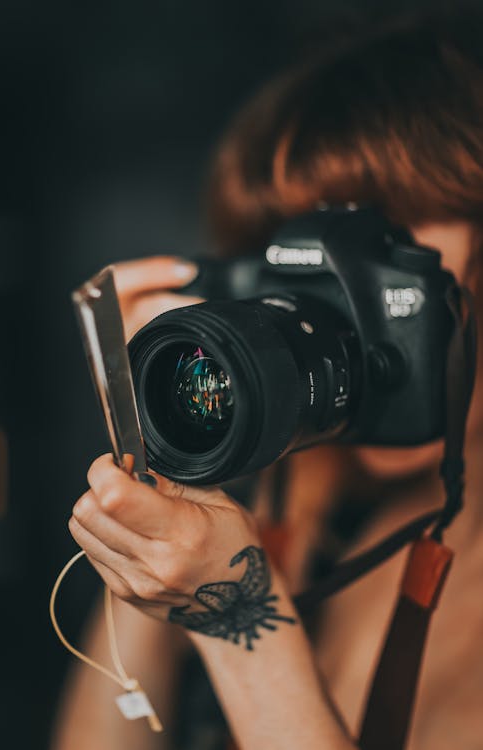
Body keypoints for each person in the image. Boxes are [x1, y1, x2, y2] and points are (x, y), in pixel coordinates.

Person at [51, 12, 483, 750]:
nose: (329, 286)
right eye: (292, 245)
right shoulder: (309, 510)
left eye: (381, 240)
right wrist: (156, 467)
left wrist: (235, 614)